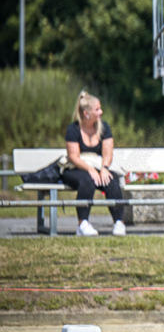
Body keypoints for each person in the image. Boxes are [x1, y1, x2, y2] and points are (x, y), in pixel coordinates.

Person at [61, 90, 127, 237]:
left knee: (111, 180)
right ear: (86, 113)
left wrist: (104, 168)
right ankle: (82, 224)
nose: (101, 112)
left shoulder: (104, 127)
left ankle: (119, 222)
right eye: (97, 109)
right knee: (87, 181)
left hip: (98, 168)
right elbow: (73, 157)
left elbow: (108, 153)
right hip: (76, 169)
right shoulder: (73, 129)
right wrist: (90, 169)